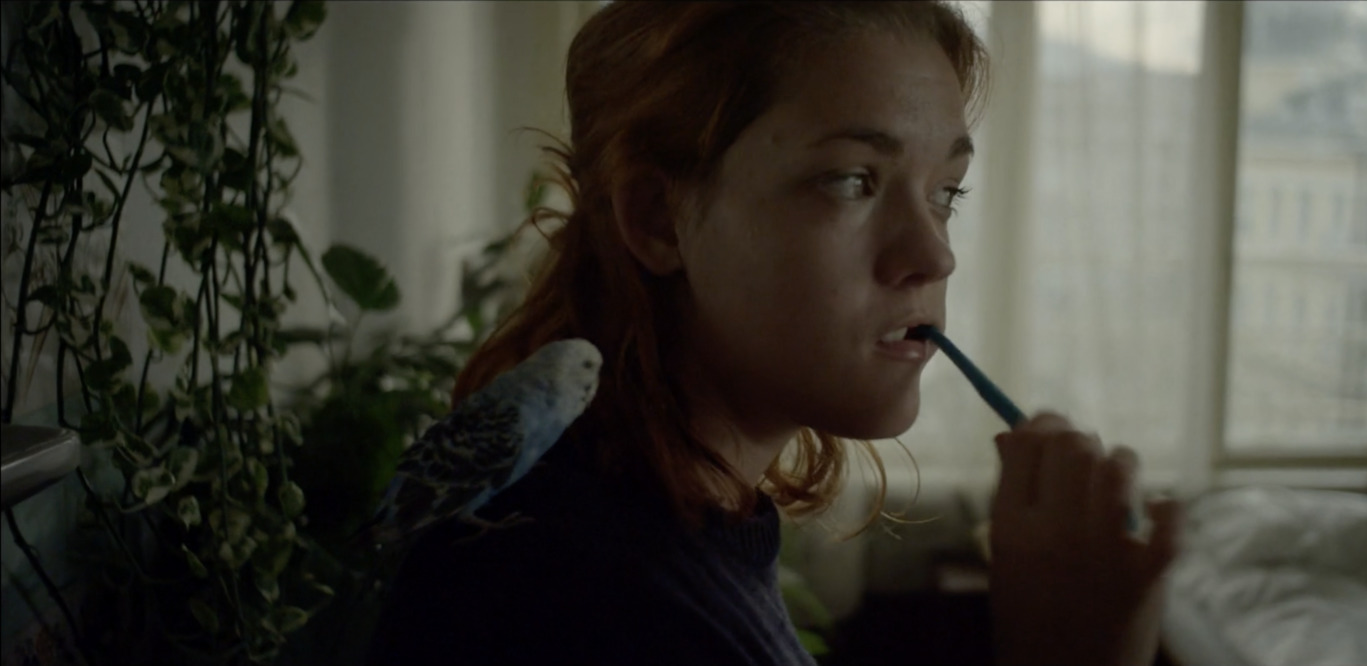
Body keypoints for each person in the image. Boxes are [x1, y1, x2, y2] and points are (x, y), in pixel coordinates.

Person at [365, 2, 1181, 664]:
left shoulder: (665, 525)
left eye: (947, 193)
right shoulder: (582, 601)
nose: (934, 254)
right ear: (658, 219)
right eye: (854, 180)